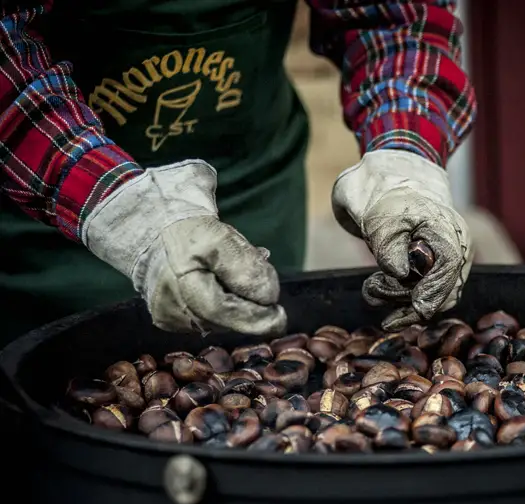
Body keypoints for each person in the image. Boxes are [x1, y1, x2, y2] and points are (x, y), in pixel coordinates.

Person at [0, 0, 477, 348]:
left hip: (252, 196)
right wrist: (125, 212)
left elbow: (395, 21)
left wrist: (404, 159)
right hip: (41, 234)